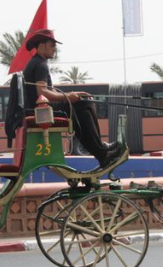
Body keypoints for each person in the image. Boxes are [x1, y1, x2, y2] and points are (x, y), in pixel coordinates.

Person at [19, 29, 122, 165]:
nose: (55, 50)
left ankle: (101, 151)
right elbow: (42, 93)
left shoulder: (35, 62)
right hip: (41, 111)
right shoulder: (40, 65)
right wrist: (68, 96)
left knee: (83, 110)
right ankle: (101, 152)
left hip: (39, 109)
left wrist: (73, 95)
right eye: (52, 45)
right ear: (42, 46)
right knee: (85, 104)